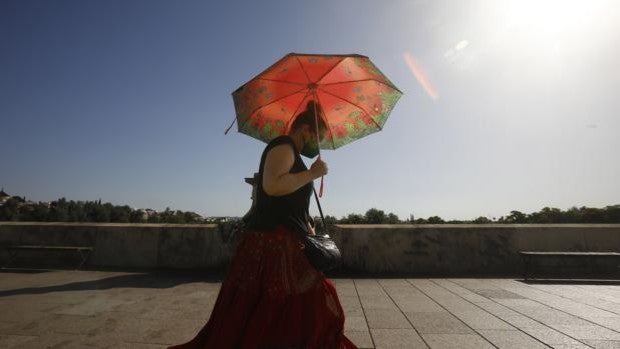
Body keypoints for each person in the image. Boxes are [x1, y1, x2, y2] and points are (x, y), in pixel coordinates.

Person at [167, 101, 357, 349]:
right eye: (317, 136)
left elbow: (291, 202)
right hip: (274, 244)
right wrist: (311, 174)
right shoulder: (283, 145)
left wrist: (307, 222)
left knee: (279, 308)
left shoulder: (293, 153)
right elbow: (273, 186)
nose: (315, 142)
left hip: (287, 239)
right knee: (296, 305)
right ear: (306, 130)